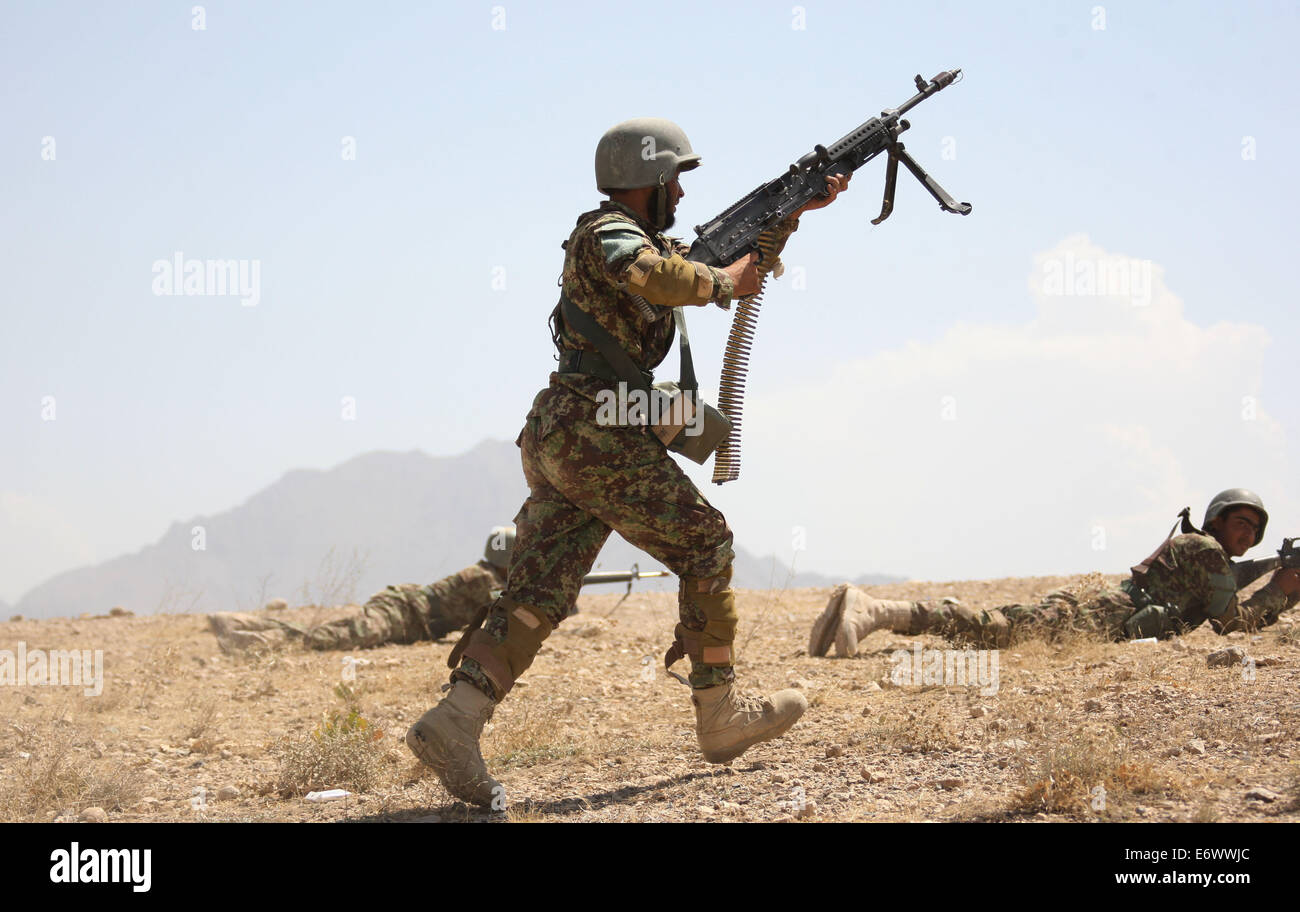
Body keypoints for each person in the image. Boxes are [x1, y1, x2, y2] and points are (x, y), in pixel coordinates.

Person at [406, 117, 851, 807]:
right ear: (647, 182)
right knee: (705, 542)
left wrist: (791, 215)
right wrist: (721, 284)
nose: (679, 189)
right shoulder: (606, 231)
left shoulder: (650, 239)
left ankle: (454, 722)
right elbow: (655, 275)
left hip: (570, 436)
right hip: (594, 432)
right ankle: (720, 714)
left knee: (539, 587)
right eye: (674, 177)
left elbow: (723, 266)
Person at [809, 489, 1300, 655]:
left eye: (1256, 530)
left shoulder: (1205, 552)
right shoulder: (1207, 550)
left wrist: (1280, 577)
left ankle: (867, 610)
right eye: (1242, 523)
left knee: (997, 628)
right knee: (995, 630)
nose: (1249, 535)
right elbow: (1232, 621)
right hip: (1102, 613)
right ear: (1218, 521)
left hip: (1104, 611)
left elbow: (1226, 595)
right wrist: (1282, 587)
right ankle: (875, 610)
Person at [207, 528, 512, 652]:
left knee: (338, 630)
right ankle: (250, 641)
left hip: (409, 620)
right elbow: (508, 607)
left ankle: (244, 624)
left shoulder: (485, 575)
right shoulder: (482, 577)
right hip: (402, 610)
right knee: (347, 636)